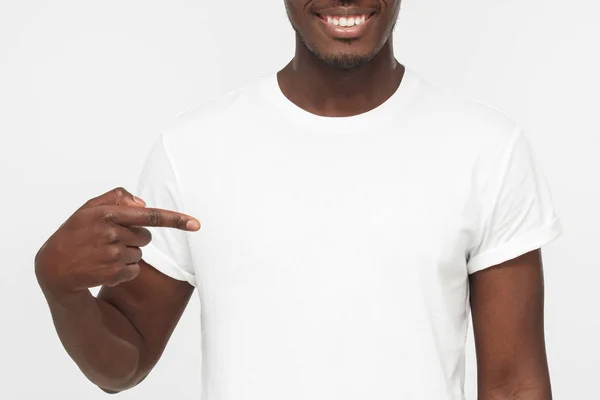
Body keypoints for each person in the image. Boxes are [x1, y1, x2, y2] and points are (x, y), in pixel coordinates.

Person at [35, 1, 563, 399]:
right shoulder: (193, 148)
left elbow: (515, 384)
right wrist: (62, 290)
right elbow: (122, 363)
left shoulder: (488, 147)